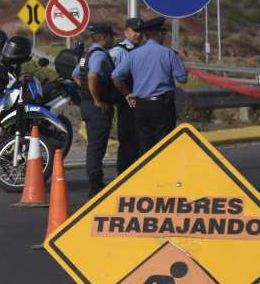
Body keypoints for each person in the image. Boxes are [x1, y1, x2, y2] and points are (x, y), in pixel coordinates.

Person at [112, 16, 188, 154]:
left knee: (145, 146)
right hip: (162, 105)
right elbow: (182, 78)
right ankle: (162, 174)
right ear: (159, 34)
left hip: (140, 106)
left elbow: (115, 76)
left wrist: (127, 93)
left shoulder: (133, 54)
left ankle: (147, 174)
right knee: (164, 146)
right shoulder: (169, 53)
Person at [73, 23, 116, 194]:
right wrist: (97, 98)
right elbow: (92, 76)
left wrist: (87, 92)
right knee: (97, 147)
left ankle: (95, 183)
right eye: (111, 36)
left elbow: (76, 75)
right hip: (97, 107)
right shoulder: (100, 56)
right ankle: (96, 186)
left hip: (86, 105)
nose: (113, 39)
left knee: (93, 145)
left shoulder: (86, 55)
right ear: (104, 37)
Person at [108, 17, 143, 173]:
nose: (139, 34)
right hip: (126, 101)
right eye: (135, 31)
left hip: (140, 101)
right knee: (127, 139)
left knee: (138, 140)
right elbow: (112, 76)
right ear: (126, 32)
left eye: (141, 31)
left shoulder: (140, 50)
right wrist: (126, 94)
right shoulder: (119, 51)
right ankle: (123, 174)